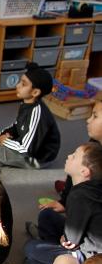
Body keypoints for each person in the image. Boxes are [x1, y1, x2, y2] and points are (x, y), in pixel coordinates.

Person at [28, 100, 102, 241]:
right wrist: (65, 202)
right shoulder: (93, 143)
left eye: (95, 116)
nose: (88, 120)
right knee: (47, 215)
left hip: (91, 239)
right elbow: (73, 173)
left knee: (32, 250)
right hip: (82, 203)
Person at [24, 142, 102, 264]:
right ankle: (50, 253)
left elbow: (71, 240)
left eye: (74, 156)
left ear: (84, 171)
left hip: (92, 257)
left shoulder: (79, 195)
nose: (69, 156)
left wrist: (65, 238)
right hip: (85, 236)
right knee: (47, 214)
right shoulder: (87, 189)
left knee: (31, 248)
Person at [0, 63, 61, 169]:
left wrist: (5, 141)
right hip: (28, 146)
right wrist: (4, 134)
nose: (17, 85)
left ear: (35, 92)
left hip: (37, 158)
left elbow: (27, 149)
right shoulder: (26, 104)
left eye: (23, 84)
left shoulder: (37, 112)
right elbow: (18, 125)